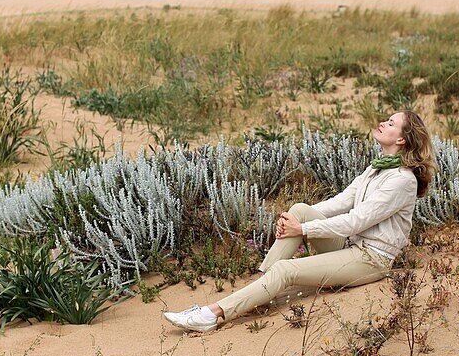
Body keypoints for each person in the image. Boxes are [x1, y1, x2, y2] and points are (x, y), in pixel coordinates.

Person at [163, 110, 434, 332]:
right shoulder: (378, 167)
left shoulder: (402, 180)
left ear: (401, 141)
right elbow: (342, 201)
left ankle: (212, 315)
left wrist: (302, 229)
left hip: (370, 259)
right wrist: (298, 221)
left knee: (285, 270)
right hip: (350, 245)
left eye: (391, 123)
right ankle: (261, 288)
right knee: (300, 208)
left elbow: (354, 222)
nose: (382, 123)